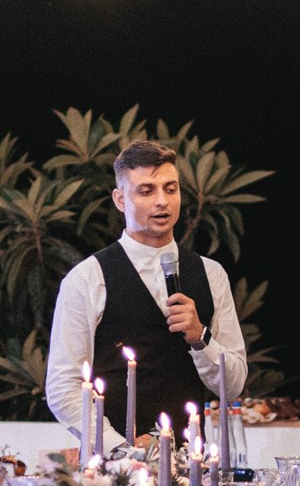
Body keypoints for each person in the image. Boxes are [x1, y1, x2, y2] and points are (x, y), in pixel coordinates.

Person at [46, 139, 247, 448]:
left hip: (191, 463)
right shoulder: (87, 278)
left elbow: (232, 386)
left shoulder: (211, 274)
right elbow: (63, 388)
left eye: (170, 189)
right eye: (146, 191)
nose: (162, 201)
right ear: (120, 199)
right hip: (115, 466)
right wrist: (120, 450)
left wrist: (200, 337)